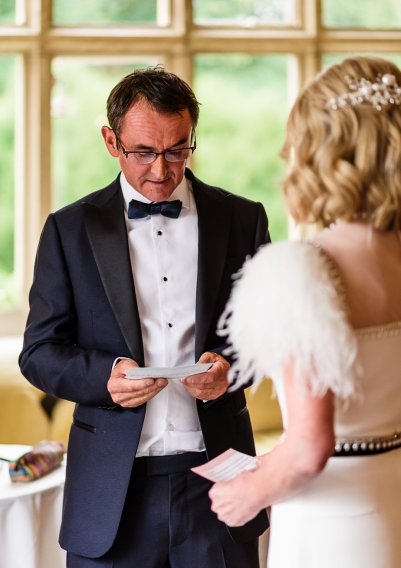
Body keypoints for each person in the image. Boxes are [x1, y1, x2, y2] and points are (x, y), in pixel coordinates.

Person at [19, 66, 269, 567]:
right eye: (143, 152)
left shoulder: (243, 219)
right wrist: (104, 379)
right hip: (110, 492)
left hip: (218, 481)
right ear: (111, 141)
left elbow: (269, 339)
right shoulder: (69, 229)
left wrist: (230, 372)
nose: (161, 170)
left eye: (177, 150)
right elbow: (39, 353)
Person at [208, 55, 401, 568]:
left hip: (333, 526)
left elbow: (310, 449)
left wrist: (247, 493)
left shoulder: (304, 268)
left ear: (323, 150)